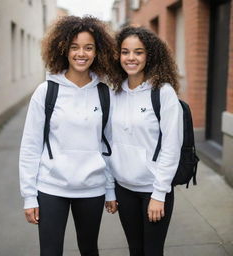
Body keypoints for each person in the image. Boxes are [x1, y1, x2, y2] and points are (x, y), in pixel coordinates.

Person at [19, 15, 117, 256]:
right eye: (74, 47)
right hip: (51, 187)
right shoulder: (46, 91)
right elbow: (30, 146)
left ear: (97, 52)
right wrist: (29, 196)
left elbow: (109, 146)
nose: (80, 53)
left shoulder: (104, 94)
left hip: (91, 189)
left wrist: (110, 189)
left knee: (89, 250)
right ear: (63, 49)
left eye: (88, 47)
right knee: (50, 252)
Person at [109, 26, 183, 256]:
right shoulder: (113, 93)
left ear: (149, 55)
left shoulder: (163, 93)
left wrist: (159, 194)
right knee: (135, 249)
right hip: (124, 189)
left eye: (138, 52)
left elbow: (172, 146)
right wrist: (110, 188)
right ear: (117, 55)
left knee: (152, 252)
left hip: (153, 189)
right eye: (125, 52)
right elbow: (108, 143)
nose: (131, 58)